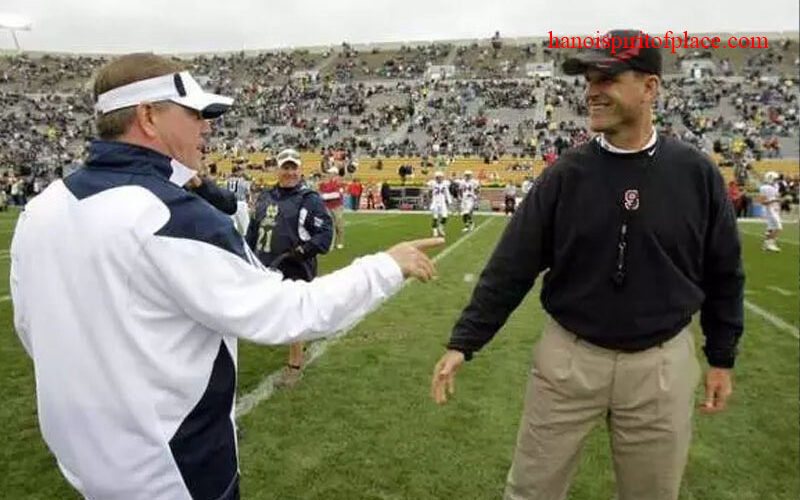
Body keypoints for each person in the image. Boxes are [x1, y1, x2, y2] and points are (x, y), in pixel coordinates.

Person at [10, 53, 443, 500]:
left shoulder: (42, 206)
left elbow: (32, 330)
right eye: (195, 113)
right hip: (170, 472)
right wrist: (386, 266)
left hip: (84, 461)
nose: (207, 127)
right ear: (148, 117)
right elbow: (288, 312)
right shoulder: (172, 215)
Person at [431, 30, 744, 500]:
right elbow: (512, 264)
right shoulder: (566, 174)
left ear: (650, 87)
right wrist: (464, 342)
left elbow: (724, 272)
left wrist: (721, 356)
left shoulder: (695, 173)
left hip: (660, 366)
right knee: (530, 492)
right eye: (589, 79)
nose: (593, 91)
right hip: (568, 361)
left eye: (609, 78)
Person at [245, 148, 334, 388]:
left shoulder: (309, 199)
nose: (290, 172)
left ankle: (294, 366)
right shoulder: (265, 196)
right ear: (278, 169)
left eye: (294, 167)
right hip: (266, 266)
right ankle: (307, 333)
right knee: (274, 314)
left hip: (295, 267)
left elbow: (325, 234)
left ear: (300, 169)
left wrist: (303, 251)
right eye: (286, 167)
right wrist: (247, 255)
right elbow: (253, 230)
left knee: (294, 314)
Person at [319, 167, 345, 249]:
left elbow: (337, 195)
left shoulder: (339, 182)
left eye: (331, 173)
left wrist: (325, 196)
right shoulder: (325, 183)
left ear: (335, 174)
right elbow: (321, 193)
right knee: (331, 225)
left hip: (337, 206)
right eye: (329, 173)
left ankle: (340, 241)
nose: (329, 175)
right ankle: (331, 243)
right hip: (328, 206)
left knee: (338, 225)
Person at [758, 170, 782, 252]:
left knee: (772, 227)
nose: (776, 181)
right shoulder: (764, 188)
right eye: (775, 179)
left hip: (774, 209)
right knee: (778, 227)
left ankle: (767, 244)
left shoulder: (774, 187)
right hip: (770, 209)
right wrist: (774, 200)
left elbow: (776, 197)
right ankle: (770, 244)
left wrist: (778, 201)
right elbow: (762, 201)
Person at [226, 166, 252, 235]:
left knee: (233, 226)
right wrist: (249, 201)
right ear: (238, 172)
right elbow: (247, 192)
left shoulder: (228, 180)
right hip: (241, 203)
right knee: (245, 226)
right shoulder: (242, 181)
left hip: (230, 203)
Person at [427, 170, 453, 238]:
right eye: (438, 177)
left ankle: (440, 227)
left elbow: (447, 193)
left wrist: (449, 201)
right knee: (435, 217)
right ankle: (435, 230)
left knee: (445, 216)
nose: (440, 178)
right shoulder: (432, 183)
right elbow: (429, 192)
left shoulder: (445, 183)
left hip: (442, 202)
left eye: (441, 177)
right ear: (436, 177)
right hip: (435, 202)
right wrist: (429, 200)